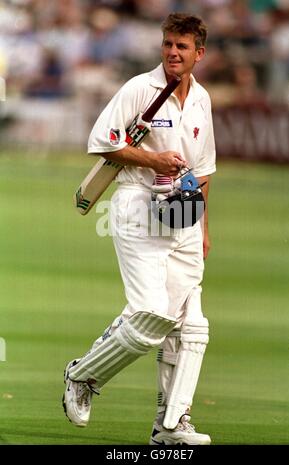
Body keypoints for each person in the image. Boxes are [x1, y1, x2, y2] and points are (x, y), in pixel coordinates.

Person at [63, 13, 216, 445]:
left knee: (190, 325)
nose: (172, 52)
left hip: (185, 215)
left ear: (198, 54)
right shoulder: (138, 88)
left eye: (182, 46)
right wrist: (154, 160)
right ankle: (82, 375)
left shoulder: (202, 100)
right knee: (152, 314)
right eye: (168, 43)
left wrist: (203, 228)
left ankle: (171, 426)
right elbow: (103, 141)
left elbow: (203, 172)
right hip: (137, 207)